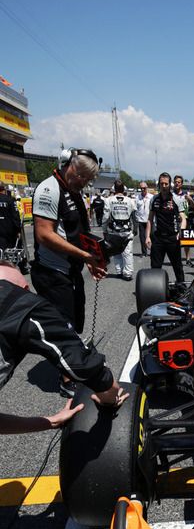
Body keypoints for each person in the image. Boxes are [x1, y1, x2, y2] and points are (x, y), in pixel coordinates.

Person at [0, 261, 128, 429]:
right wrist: (111, 398)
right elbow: (82, 365)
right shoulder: (24, 303)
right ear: (24, 288)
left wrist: (51, 422)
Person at [31, 149, 104, 397]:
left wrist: (92, 260)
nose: (84, 182)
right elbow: (44, 234)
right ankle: (67, 380)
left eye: (88, 179)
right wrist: (84, 256)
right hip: (51, 272)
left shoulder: (75, 191)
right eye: (82, 176)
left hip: (71, 269)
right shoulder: (49, 189)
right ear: (71, 166)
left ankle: (71, 362)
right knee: (65, 325)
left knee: (76, 322)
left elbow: (77, 233)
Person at [145, 172, 185, 283]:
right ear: (159, 185)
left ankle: (181, 288)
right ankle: (155, 290)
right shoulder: (154, 199)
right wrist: (147, 237)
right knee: (155, 267)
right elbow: (149, 219)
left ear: (170, 185)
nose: (164, 186)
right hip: (158, 238)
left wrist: (180, 233)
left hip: (173, 238)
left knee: (177, 266)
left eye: (166, 184)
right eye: (161, 184)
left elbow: (183, 218)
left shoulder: (176, 199)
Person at [102, 179, 136, 280]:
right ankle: (128, 274)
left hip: (114, 232)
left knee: (116, 252)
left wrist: (104, 230)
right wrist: (136, 229)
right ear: (123, 189)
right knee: (128, 253)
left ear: (114, 189)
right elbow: (134, 216)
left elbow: (105, 217)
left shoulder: (108, 200)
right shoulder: (130, 200)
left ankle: (119, 271)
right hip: (127, 232)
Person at [173, 175, 194, 263]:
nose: (177, 183)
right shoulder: (171, 194)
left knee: (186, 240)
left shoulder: (186, 194)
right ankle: (176, 258)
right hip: (174, 220)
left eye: (179, 182)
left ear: (181, 184)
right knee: (176, 240)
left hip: (186, 220)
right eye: (176, 182)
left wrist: (190, 200)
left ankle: (188, 258)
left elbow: (193, 206)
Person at [0, 181, 22, 253]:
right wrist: (18, 230)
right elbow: (15, 216)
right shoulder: (10, 199)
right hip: (8, 232)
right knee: (10, 253)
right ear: (4, 189)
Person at [134, 181, 153, 256]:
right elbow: (135, 209)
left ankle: (152, 251)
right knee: (142, 237)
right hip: (141, 220)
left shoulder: (151, 197)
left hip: (150, 221)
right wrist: (136, 219)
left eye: (144, 188)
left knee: (151, 237)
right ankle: (144, 252)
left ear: (147, 188)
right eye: (141, 188)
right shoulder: (137, 198)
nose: (142, 190)